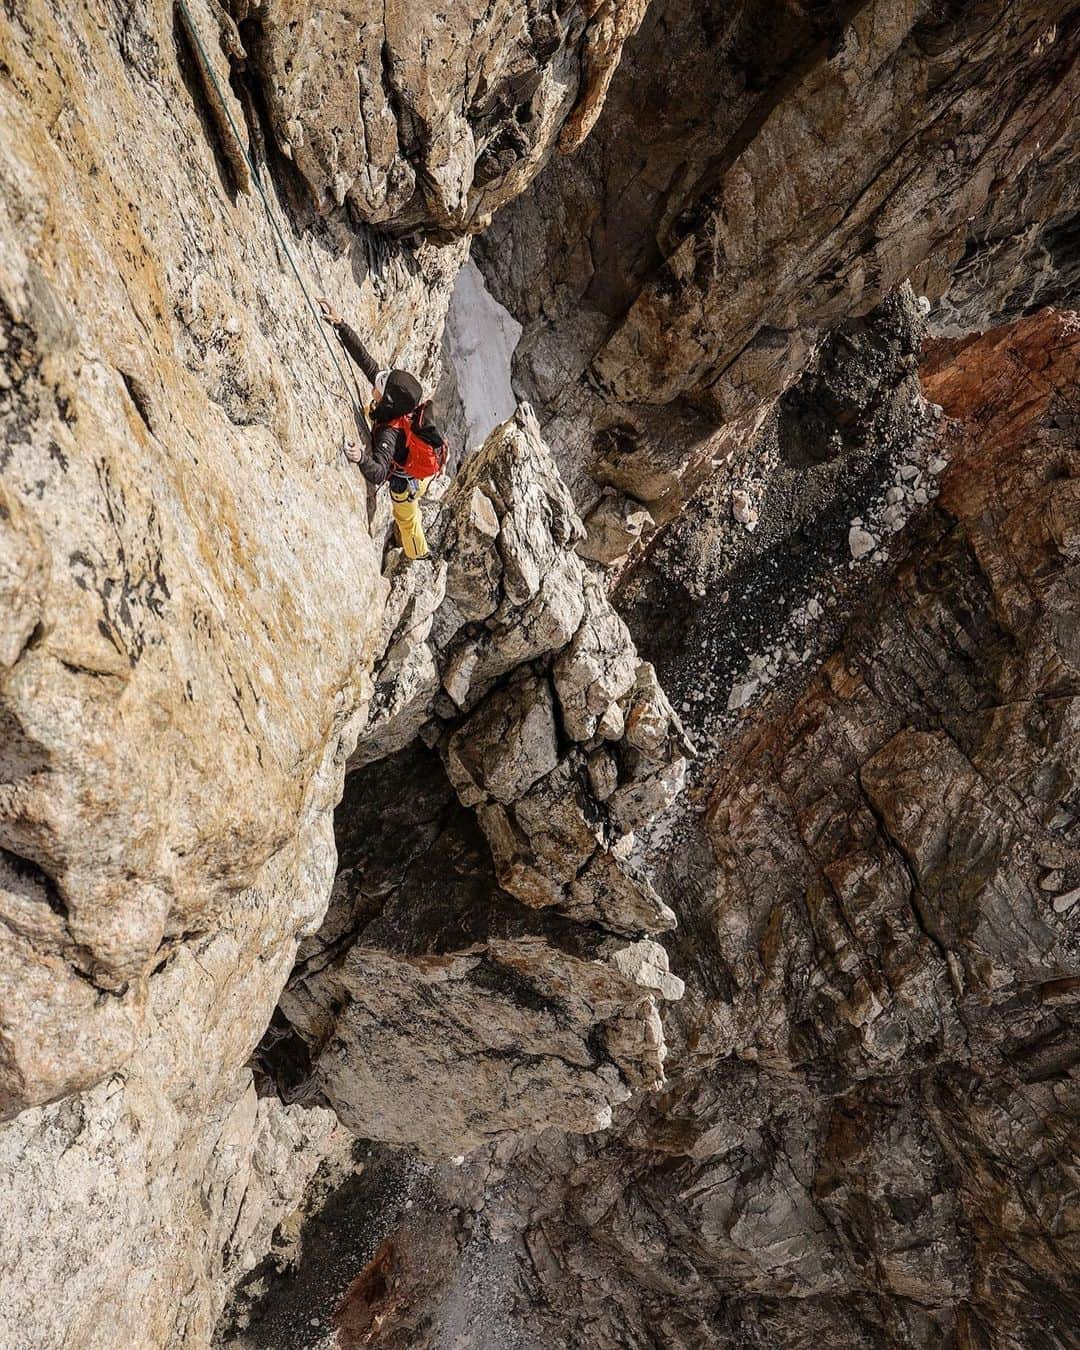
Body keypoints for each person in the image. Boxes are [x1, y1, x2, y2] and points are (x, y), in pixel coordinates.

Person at [318, 298, 447, 560]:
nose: (374, 383)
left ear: (388, 401)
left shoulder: (390, 432)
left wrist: (360, 458)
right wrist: (341, 324)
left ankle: (418, 553)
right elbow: (367, 363)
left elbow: (378, 472)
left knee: (406, 517)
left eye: (380, 385)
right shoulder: (395, 406)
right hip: (415, 461)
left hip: (407, 479)